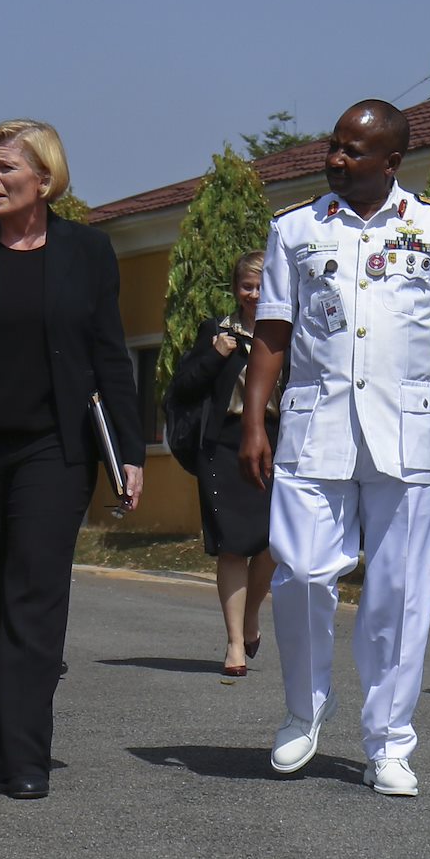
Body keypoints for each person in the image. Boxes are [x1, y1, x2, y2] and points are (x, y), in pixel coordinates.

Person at [239, 99, 430, 798]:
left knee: (399, 593)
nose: (336, 159)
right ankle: (303, 712)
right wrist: (253, 419)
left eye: (354, 151)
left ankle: (389, 742)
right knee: (298, 573)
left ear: (392, 162)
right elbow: (272, 331)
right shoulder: (294, 229)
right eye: (334, 146)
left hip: (404, 433)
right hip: (312, 430)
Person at [0, 118, 144, 800]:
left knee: (35, 595)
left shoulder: (89, 252)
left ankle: (27, 754)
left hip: (55, 449)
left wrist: (129, 451)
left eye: (5, 168)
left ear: (44, 178)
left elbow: (111, 354)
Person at [166, 250, 276, 680]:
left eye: (261, 285)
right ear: (236, 290)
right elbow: (183, 386)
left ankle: (250, 618)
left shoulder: (289, 332)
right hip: (224, 446)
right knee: (232, 545)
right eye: (247, 286)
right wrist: (215, 354)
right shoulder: (217, 331)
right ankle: (234, 642)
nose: (253, 294)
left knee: (274, 543)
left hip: (276, 443)